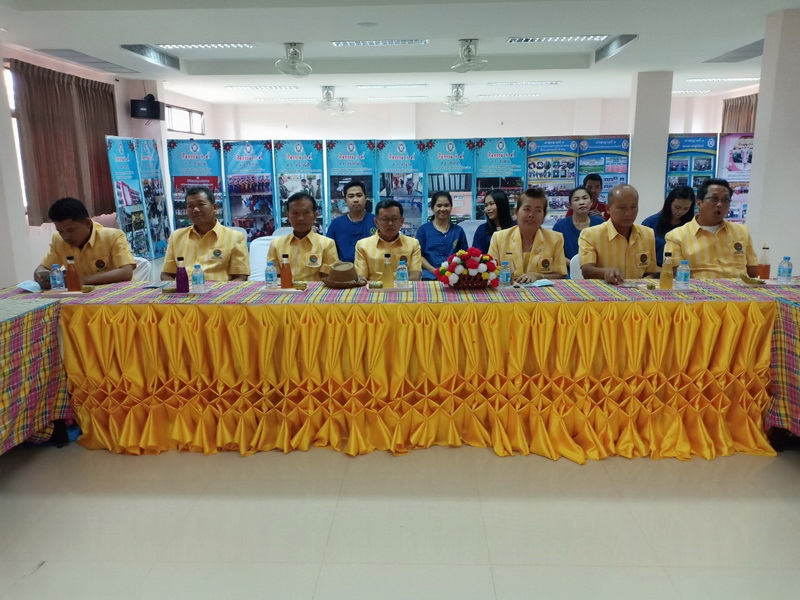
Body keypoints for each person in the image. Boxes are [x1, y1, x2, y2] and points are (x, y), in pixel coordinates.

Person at [664, 178, 757, 278]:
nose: (720, 204)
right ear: (699, 203)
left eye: (725, 200)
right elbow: (674, 275)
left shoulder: (742, 231)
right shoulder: (676, 236)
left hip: (739, 286)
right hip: (699, 286)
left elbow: (753, 270)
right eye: (714, 199)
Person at [34, 197, 135, 289]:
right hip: (80, 297)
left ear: (87, 223)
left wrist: (85, 280)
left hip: (116, 294)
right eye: (61, 231)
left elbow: (126, 272)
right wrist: (41, 277)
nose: (66, 237)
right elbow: (41, 269)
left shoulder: (112, 236)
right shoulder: (58, 240)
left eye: (71, 230)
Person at [161, 186, 248, 281]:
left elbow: (241, 276)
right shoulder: (176, 237)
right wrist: (179, 288)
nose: (195, 210)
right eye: (190, 206)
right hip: (185, 289)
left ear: (214, 207)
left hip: (219, 289)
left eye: (201, 204)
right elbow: (167, 274)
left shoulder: (235, 237)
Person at [578, 184, 656, 284]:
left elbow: (650, 272)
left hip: (638, 290)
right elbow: (586, 271)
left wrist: (646, 281)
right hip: (605, 291)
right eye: (622, 208)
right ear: (608, 209)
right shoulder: (591, 234)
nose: (628, 213)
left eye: (633, 207)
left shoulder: (648, 234)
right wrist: (605, 272)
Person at [488, 188, 567, 283]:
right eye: (527, 209)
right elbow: (490, 272)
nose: (531, 215)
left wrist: (539, 276)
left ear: (544, 215)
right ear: (516, 212)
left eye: (538, 210)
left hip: (541, 291)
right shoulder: (499, 238)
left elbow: (561, 274)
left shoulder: (555, 239)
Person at [267, 192, 339, 281]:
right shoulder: (276, 244)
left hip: (316, 290)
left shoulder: (327, 244)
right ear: (288, 216)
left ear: (315, 216)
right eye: (295, 213)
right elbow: (274, 278)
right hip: (286, 289)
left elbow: (328, 278)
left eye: (306, 213)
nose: (301, 218)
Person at [354, 199, 422, 281]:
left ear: (402, 221)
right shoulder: (362, 245)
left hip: (403, 288)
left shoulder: (413, 244)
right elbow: (361, 278)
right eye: (385, 219)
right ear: (376, 222)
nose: (390, 223)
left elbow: (415, 277)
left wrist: (396, 287)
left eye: (394, 219)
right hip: (374, 288)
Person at [416, 191, 469, 280]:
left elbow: (464, 255)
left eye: (446, 205)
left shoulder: (458, 231)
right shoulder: (423, 230)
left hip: (453, 277)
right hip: (428, 276)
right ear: (432, 208)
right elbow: (418, 256)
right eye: (439, 206)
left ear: (451, 207)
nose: (443, 209)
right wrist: (434, 271)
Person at [641, 186, 696, 267]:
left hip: (684, 270)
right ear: (669, 203)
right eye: (677, 207)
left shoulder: (692, 226)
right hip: (655, 270)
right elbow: (642, 255)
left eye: (686, 209)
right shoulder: (650, 223)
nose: (680, 212)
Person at [325, 181, 376, 263]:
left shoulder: (376, 221)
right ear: (345, 200)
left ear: (365, 198)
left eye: (359, 195)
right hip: (343, 269)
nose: (355, 200)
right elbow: (328, 252)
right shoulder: (336, 224)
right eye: (351, 196)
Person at [552, 187, 605, 260]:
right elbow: (555, 253)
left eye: (585, 198)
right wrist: (573, 264)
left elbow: (605, 250)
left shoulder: (600, 224)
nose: (581, 202)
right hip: (567, 266)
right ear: (570, 205)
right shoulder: (560, 227)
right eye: (576, 199)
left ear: (591, 202)